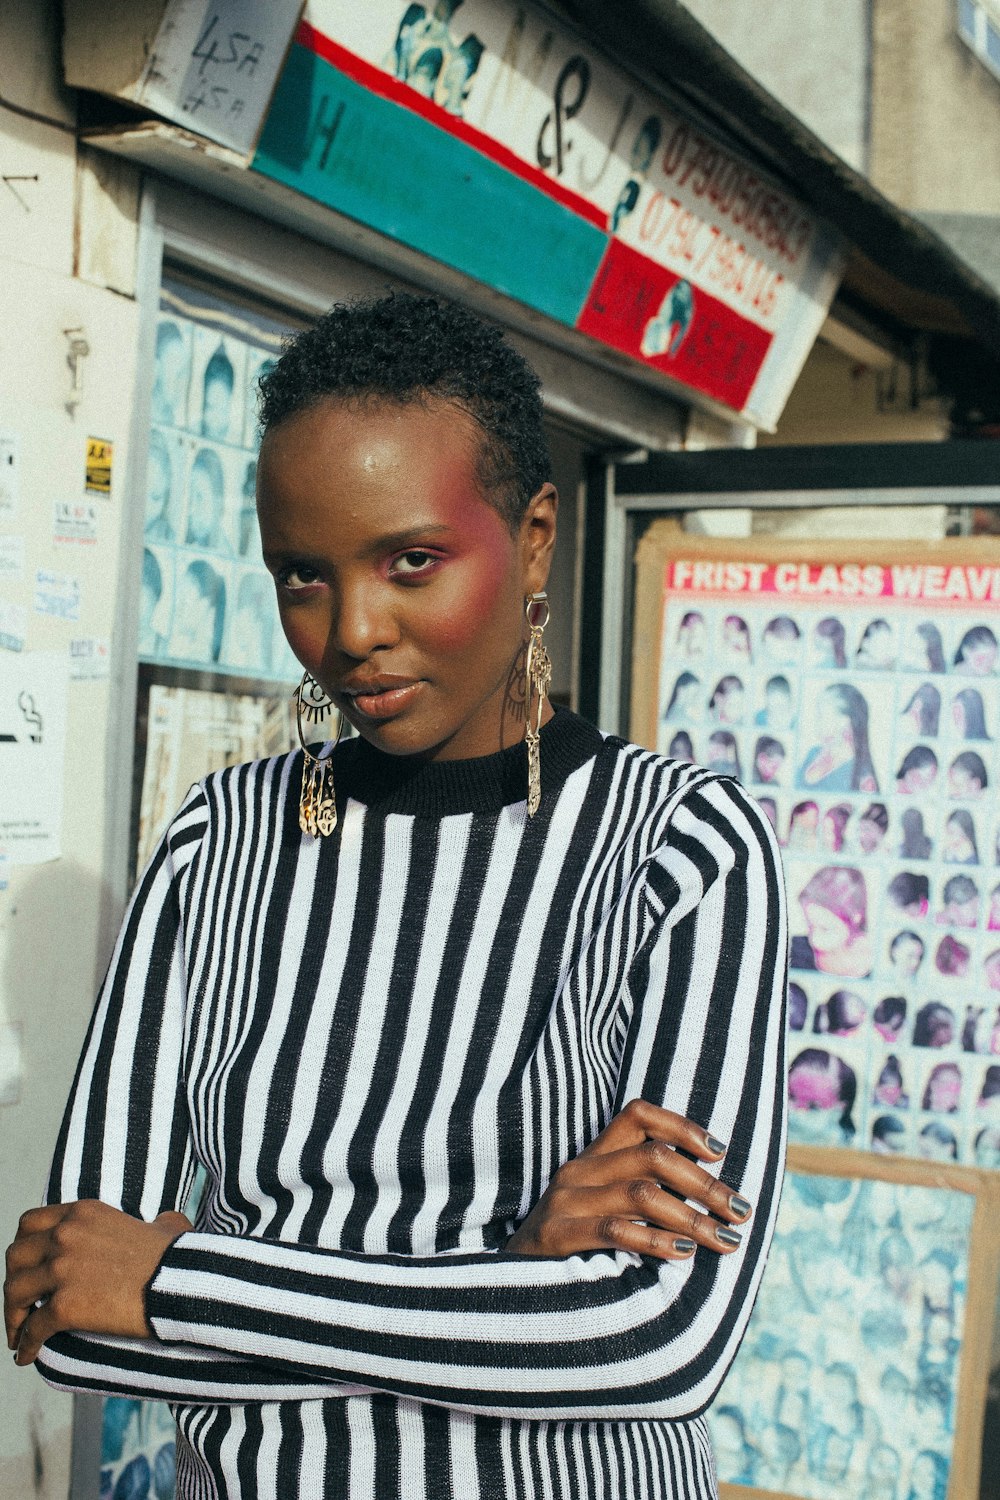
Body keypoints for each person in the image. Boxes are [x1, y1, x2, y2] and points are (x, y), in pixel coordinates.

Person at [4, 295, 787, 1500]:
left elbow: (659, 1345)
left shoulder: (679, 849)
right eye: (302, 576)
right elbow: (71, 1314)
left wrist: (180, 1281)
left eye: (410, 561)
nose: (353, 631)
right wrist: (516, 1281)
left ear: (532, 541)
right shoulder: (219, 843)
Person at [791, 865, 872, 977]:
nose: (814, 940)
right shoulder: (794, 951)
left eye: (825, 929)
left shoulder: (872, 963)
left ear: (855, 919)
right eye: (810, 926)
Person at [797, 683, 878, 793]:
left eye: (821, 715)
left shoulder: (863, 773)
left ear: (843, 721)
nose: (816, 721)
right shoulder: (813, 753)